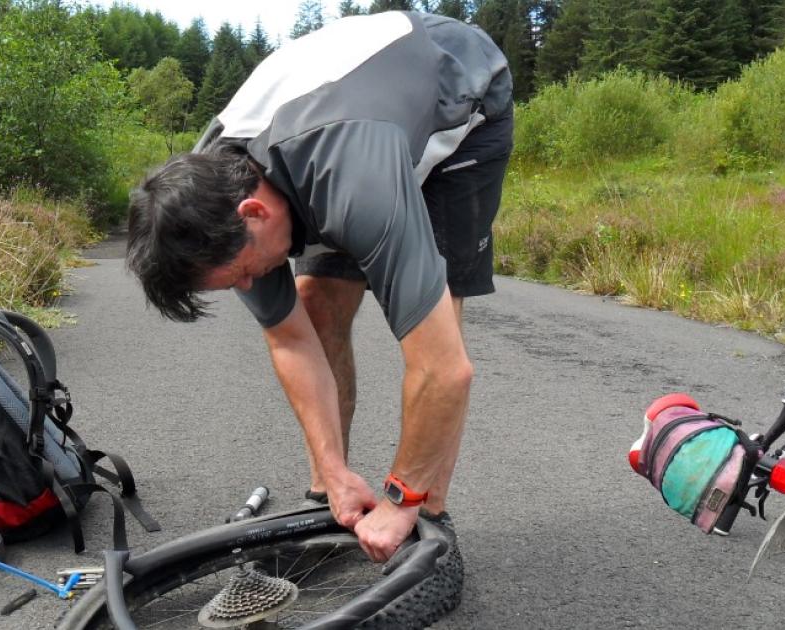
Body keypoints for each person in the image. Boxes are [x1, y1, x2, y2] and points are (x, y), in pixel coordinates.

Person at [125, 10, 513, 564]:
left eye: (242, 274)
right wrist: (333, 470)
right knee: (315, 303)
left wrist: (401, 498)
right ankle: (332, 498)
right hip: (338, 122)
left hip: (462, 99)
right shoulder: (207, 192)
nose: (250, 285)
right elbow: (289, 338)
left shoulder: (356, 183)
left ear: (253, 211)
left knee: (438, 318)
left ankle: (427, 517)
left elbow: (444, 370)